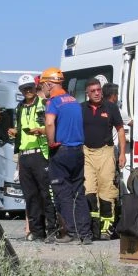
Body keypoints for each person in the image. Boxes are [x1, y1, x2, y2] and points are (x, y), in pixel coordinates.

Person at [40, 67, 94, 244]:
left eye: (43, 86)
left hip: (61, 150)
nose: (43, 90)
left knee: (63, 192)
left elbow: (49, 123)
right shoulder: (73, 100)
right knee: (78, 191)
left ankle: (71, 232)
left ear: (49, 83)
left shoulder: (53, 102)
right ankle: (85, 234)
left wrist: (50, 142)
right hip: (78, 150)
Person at [13, 74, 57, 243]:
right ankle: (37, 231)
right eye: (25, 89)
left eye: (30, 87)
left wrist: (42, 131)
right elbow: (20, 129)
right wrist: (14, 132)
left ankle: (52, 229)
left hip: (41, 152)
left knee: (46, 193)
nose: (28, 91)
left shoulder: (45, 104)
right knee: (30, 196)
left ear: (35, 87)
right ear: (21, 91)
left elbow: (53, 127)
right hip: (24, 155)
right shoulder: (19, 108)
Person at [82, 78, 126, 239]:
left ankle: (106, 228)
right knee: (88, 190)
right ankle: (91, 227)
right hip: (86, 152)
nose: (96, 93)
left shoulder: (111, 107)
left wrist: (121, 153)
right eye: (93, 91)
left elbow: (121, 130)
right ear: (87, 93)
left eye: (98, 90)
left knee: (107, 190)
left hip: (106, 151)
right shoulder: (82, 109)